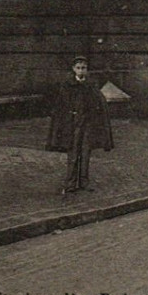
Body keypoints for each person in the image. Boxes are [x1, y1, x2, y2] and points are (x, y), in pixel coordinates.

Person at [46, 56, 114, 195]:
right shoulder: (67, 86)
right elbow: (61, 106)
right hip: (73, 125)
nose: (81, 71)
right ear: (73, 69)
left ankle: (84, 181)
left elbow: (100, 104)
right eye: (78, 68)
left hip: (87, 125)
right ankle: (70, 183)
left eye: (83, 68)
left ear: (87, 70)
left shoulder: (92, 86)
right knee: (73, 153)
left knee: (85, 153)